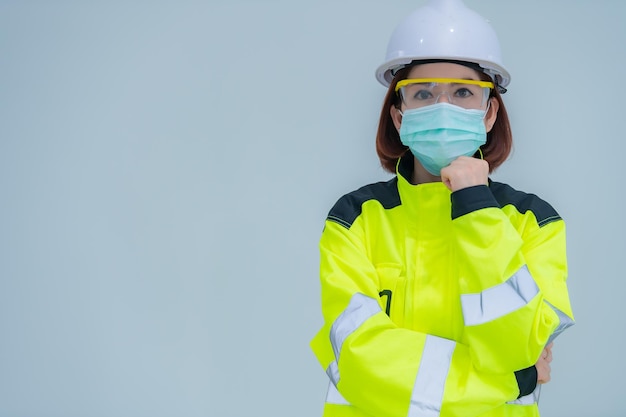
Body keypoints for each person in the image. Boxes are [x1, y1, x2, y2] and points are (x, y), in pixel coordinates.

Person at [310, 0, 575, 416]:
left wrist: (476, 209)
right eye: (423, 93)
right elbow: (361, 362)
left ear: (489, 114)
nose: (443, 107)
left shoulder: (533, 223)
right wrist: (508, 381)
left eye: (464, 92)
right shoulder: (354, 220)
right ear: (399, 117)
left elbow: (514, 343)